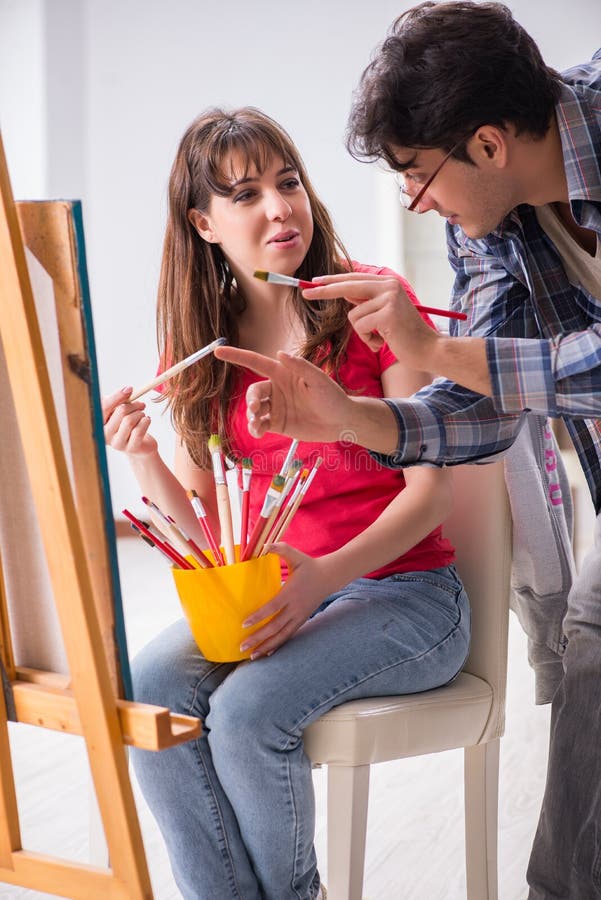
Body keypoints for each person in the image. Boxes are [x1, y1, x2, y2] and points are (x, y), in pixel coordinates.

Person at [215, 5, 601, 898]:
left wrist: (428, 351)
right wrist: (348, 417)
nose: (416, 203)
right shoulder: (489, 227)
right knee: (591, 641)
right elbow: (480, 406)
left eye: (418, 178)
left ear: (490, 145)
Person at [102, 106, 470, 900]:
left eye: (288, 182)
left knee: (244, 718)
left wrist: (321, 580)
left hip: (409, 598)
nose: (279, 208)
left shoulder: (373, 307)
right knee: (147, 690)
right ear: (202, 223)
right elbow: (210, 537)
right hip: (275, 594)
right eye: (244, 194)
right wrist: (142, 458)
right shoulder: (199, 352)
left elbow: (431, 491)